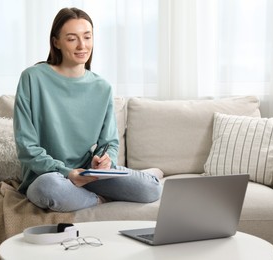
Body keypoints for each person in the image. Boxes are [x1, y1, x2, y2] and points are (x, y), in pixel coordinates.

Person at [13, 7, 162, 212]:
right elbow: (26, 147)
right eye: (72, 38)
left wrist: (103, 159)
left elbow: (109, 143)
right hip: (49, 176)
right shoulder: (32, 78)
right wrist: (67, 173)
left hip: (88, 174)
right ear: (56, 42)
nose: (82, 45)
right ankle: (98, 200)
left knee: (151, 189)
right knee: (48, 189)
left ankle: (145, 175)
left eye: (87, 37)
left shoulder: (102, 88)